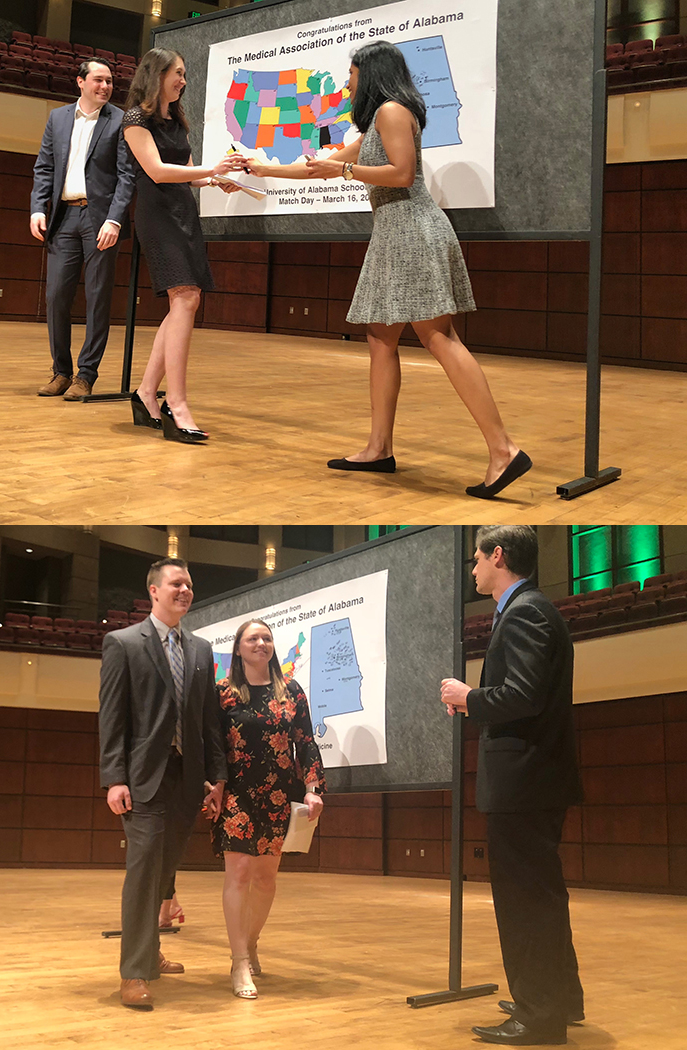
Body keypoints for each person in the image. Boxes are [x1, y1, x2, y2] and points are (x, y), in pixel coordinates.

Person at [244, 41, 529, 498]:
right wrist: (262, 168)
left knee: (440, 337)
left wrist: (347, 171)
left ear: (371, 74)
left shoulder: (392, 111)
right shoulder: (382, 117)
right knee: (381, 337)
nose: (345, 83)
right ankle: (379, 448)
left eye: (351, 74)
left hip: (411, 230)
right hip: (396, 232)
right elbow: (325, 167)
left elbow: (400, 173)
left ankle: (503, 450)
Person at [441, 525, 583, 1046]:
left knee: (526, 899)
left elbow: (522, 695)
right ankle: (558, 997)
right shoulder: (528, 608)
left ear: (497, 556)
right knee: (541, 895)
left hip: (525, 781)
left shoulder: (524, 611)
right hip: (533, 779)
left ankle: (538, 1014)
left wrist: (468, 697)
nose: (472, 569)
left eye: (476, 560)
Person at [98, 556, 228, 1010]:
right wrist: (114, 778)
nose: (185, 590)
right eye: (176, 584)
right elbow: (112, 717)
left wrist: (218, 778)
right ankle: (133, 972)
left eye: (189, 584)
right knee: (142, 874)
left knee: (164, 871)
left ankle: (151, 953)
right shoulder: (122, 643)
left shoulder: (200, 649)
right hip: (141, 780)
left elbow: (208, 720)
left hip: (187, 782)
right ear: (154, 590)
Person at [121, 48, 245, 442]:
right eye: (178, 73)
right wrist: (212, 169)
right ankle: (177, 403)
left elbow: (187, 173)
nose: (183, 80)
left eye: (184, 74)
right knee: (186, 298)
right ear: (156, 74)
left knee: (183, 301)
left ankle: (145, 393)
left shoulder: (175, 117)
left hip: (182, 213)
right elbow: (156, 170)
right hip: (157, 215)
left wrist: (213, 180)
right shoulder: (135, 118)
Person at [212, 619, 325, 998]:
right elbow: (212, 745)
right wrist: (211, 785)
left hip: (279, 793)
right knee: (239, 873)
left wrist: (313, 789)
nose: (261, 643)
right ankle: (239, 960)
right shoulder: (224, 693)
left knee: (266, 878)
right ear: (239, 649)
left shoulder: (290, 690)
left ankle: (252, 940)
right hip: (237, 794)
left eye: (267, 638)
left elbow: (306, 742)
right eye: (252, 638)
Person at [30, 59, 136, 401]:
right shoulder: (58, 118)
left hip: (101, 220)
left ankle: (85, 375)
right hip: (64, 218)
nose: (105, 86)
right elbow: (44, 167)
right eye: (98, 80)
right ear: (80, 82)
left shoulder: (120, 120)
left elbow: (127, 175)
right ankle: (61, 372)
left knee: (97, 298)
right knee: (56, 296)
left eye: (110, 82)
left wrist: (116, 219)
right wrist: (37, 207)